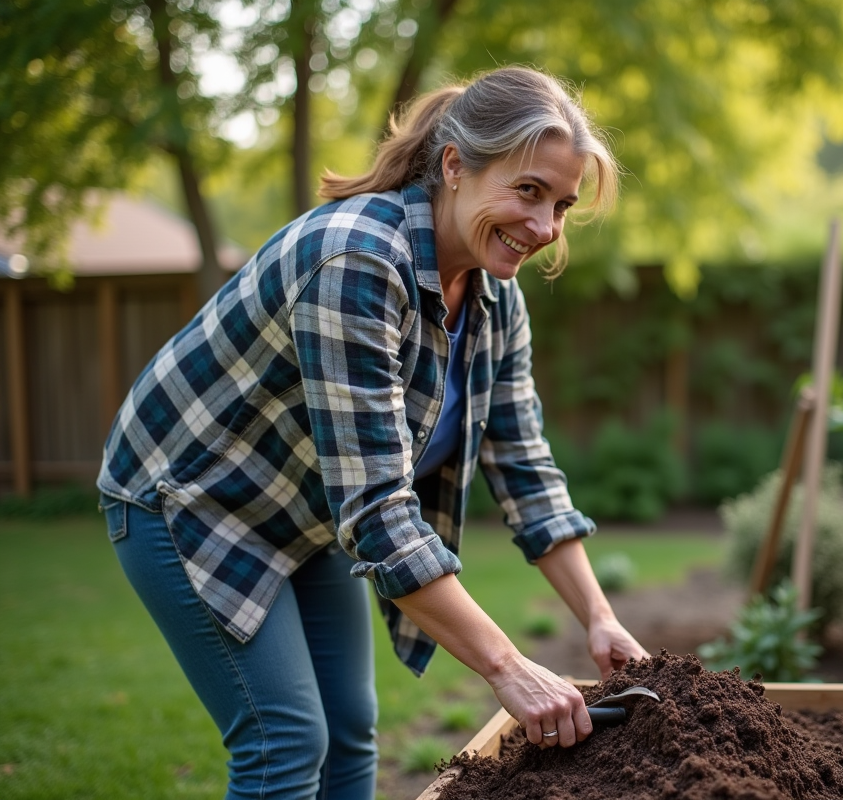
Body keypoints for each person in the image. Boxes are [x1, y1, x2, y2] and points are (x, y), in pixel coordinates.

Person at [97, 66, 649, 800]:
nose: (546, 228)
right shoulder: (356, 259)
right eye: (527, 191)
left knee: (351, 731)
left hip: (306, 509)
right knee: (286, 740)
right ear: (454, 165)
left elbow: (523, 466)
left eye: (563, 204)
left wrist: (600, 618)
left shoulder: (494, 295)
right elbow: (380, 515)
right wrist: (510, 668)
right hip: (188, 498)